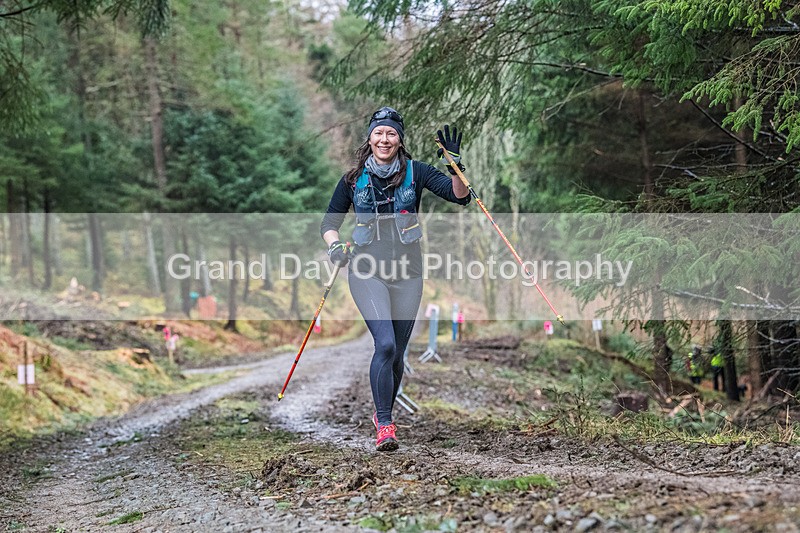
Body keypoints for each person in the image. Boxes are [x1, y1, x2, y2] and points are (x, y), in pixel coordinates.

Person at [321, 107, 470, 451]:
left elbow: (459, 196)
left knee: (398, 355)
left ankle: (383, 415)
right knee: (384, 345)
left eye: (391, 134)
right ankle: (385, 422)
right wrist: (335, 248)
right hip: (366, 270)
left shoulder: (417, 173)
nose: (384, 139)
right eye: (378, 133)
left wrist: (455, 166)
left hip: (408, 274)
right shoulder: (352, 179)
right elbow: (328, 225)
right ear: (369, 138)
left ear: (399, 139)